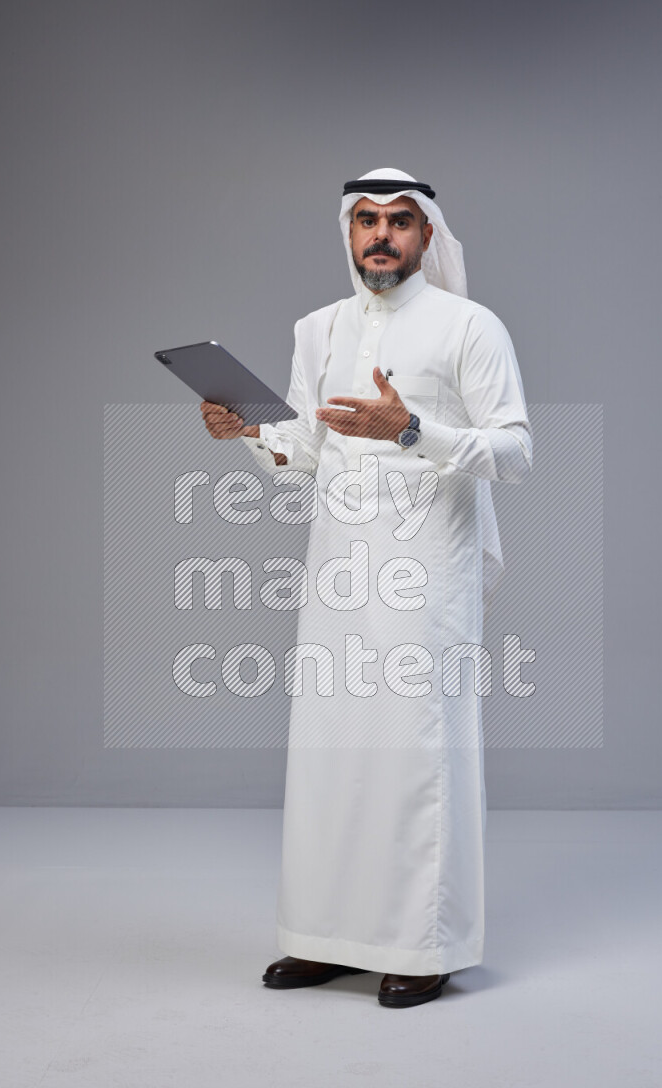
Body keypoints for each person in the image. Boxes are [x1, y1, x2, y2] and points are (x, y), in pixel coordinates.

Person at [201, 168, 532, 1008]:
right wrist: (248, 430)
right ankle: (324, 937)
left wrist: (411, 429)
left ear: (427, 236)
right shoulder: (318, 330)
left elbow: (516, 451)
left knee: (418, 752)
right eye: (366, 221)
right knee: (331, 751)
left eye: (399, 221)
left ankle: (424, 944)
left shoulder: (469, 326)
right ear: (348, 233)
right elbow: (309, 449)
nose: (381, 234)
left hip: (430, 571)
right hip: (339, 570)